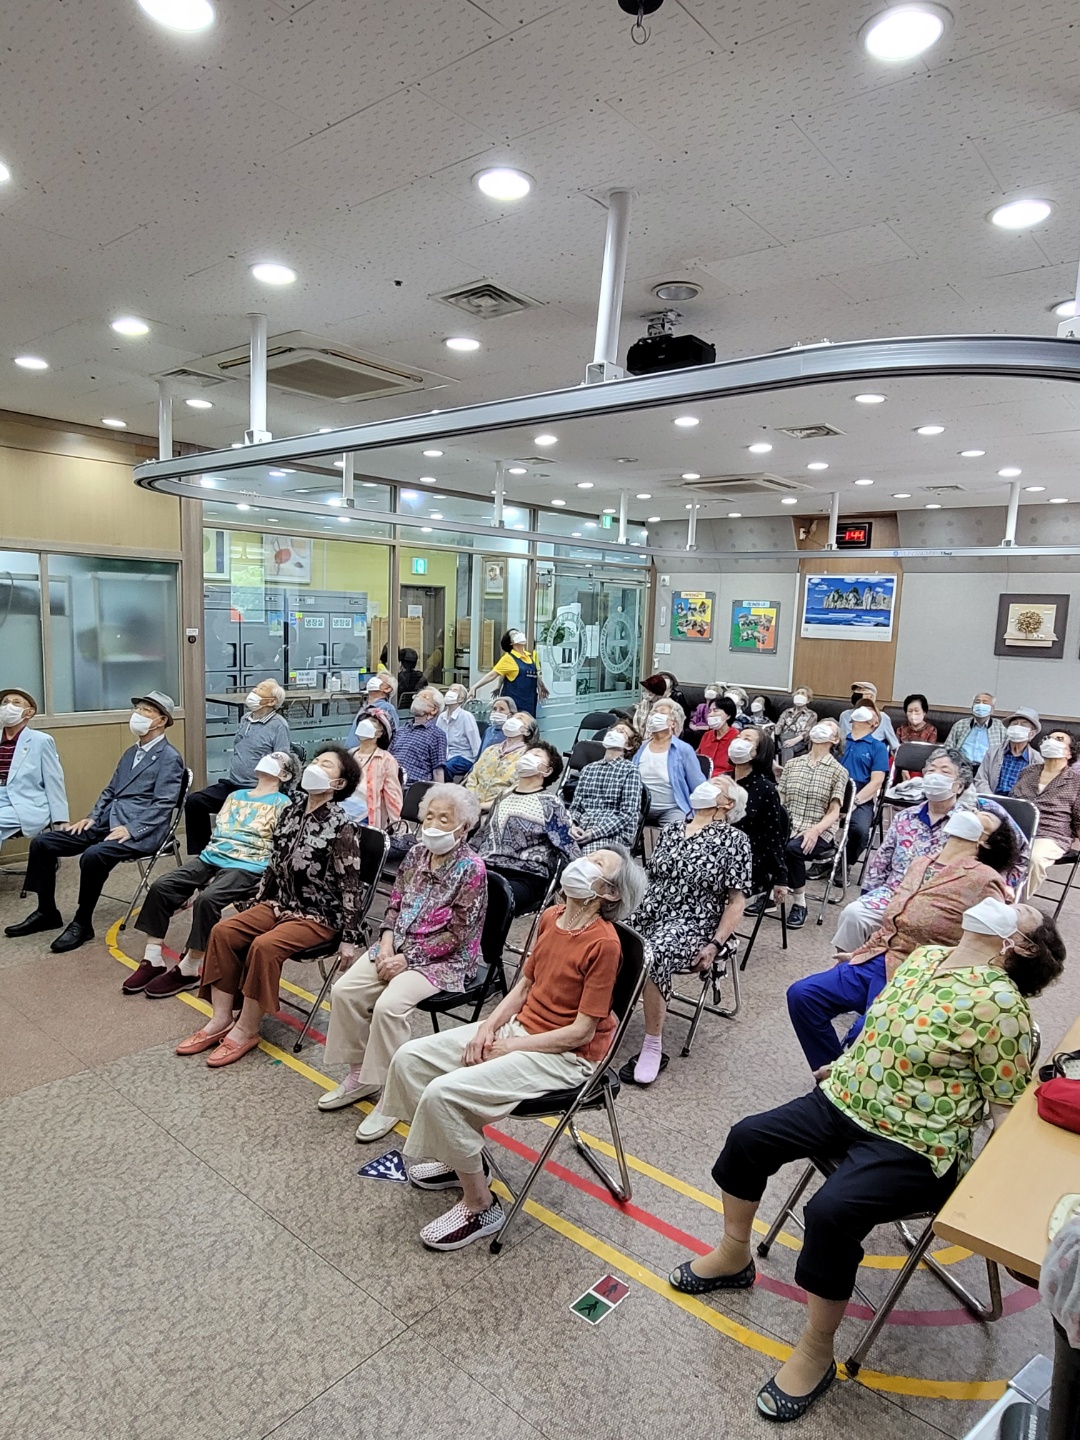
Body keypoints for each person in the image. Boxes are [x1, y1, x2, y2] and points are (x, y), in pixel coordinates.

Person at [669, 899, 1063, 1423]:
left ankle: (816, 1351)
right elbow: (883, 1027)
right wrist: (845, 1065)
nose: (1002, 901)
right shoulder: (925, 958)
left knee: (831, 1213)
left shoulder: (1004, 1007)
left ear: (1020, 946)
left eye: (1020, 910)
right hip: (846, 1098)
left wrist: (994, 1194)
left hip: (916, 1140)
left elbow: (1004, 1106)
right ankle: (733, 1255)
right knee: (748, 1139)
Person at [380, 845, 647, 1251]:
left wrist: (509, 1047)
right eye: (588, 856)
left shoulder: (604, 944)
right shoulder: (552, 917)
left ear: (609, 893)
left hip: (566, 1057)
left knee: (442, 1094)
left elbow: (580, 1033)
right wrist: (487, 1028)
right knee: (409, 1059)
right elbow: (524, 986)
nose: (582, 863)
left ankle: (481, 1206)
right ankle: (463, 1159)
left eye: (597, 864)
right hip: (521, 1029)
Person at [175, 744, 364, 1067]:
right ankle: (221, 1018)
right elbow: (274, 865)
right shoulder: (291, 811)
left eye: (326, 765)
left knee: (264, 946)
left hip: (319, 915)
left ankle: (246, 1030)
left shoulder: (342, 825)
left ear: (339, 784)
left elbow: (351, 885)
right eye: (316, 761)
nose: (316, 766)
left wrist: (350, 937)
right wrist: (259, 903)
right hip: (281, 903)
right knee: (223, 931)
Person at [787, 807, 1018, 1070]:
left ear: (985, 841)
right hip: (880, 957)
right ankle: (835, 1077)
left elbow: (991, 943)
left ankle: (842, 1079)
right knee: (803, 996)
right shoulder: (922, 863)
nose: (972, 812)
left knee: (866, 1030)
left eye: (982, 817)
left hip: (921, 976)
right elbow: (893, 923)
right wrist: (860, 952)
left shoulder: (985, 880)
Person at [317, 785, 487, 1138]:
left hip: (444, 959)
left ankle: (393, 1099)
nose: (434, 825)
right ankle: (360, 1076)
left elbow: (458, 934)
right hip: (398, 944)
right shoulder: (416, 854)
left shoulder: (472, 869)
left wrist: (406, 959)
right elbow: (394, 904)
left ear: (465, 827)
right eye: (430, 817)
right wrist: (386, 942)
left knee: (389, 1007)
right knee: (345, 991)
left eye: (445, 819)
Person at [6, 691, 184, 953]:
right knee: (43, 843)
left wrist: (132, 829)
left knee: (93, 856)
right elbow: (110, 790)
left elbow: (164, 804)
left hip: (140, 831)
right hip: (106, 821)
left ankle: (82, 922)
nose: (138, 714)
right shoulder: (131, 752)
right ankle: (47, 912)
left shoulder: (169, 757)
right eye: (138, 709)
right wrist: (91, 817)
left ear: (161, 720)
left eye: (146, 711)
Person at [124, 751, 297, 998]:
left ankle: (189, 968)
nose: (269, 758)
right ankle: (153, 958)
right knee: (162, 886)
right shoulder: (235, 796)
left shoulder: (284, 804)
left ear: (285, 775)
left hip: (249, 864)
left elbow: (281, 844)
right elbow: (221, 830)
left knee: (207, 899)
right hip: (212, 857)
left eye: (277, 758)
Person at [622, 776, 753, 1085]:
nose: (707, 784)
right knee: (607, 937)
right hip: (650, 909)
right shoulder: (671, 830)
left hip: (694, 922)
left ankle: (652, 1045)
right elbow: (651, 879)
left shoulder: (735, 840)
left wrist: (715, 944)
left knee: (652, 954)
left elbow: (736, 902)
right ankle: (597, 1020)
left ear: (727, 804)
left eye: (718, 784)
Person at [833, 745, 968, 953]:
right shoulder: (905, 817)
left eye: (945, 771)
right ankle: (847, 967)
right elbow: (881, 862)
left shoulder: (969, 824)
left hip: (938, 903)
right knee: (853, 914)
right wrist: (868, 895)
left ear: (959, 786)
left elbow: (1012, 853)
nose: (935, 776)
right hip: (895, 893)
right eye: (931, 770)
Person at [184, 678, 289, 855]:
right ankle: (202, 854)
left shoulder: (279, 725)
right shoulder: (245, 718)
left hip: (256, 789)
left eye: (261, 689)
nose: (254, 691)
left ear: (271, 701)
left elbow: (282, 760)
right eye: (256, 687)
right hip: (232, 785)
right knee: (195, 801)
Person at [475, 741, 577, 912]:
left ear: (547, 771)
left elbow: (568, 847)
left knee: (490, 898)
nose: (528, 757)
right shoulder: (503, 796)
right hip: (487, 867)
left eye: (536, 755)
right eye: (527, 754)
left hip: (525, 875)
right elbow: (483, 834)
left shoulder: (550, 804)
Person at [772, 718, 849, 929]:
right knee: (767, 841)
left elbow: (834, 811)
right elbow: (781, 800)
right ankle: (770, 894)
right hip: (790, 825)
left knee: (792, 849)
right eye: (820, 724)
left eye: (829, 727)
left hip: (820, 830)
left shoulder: (838, 771)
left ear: (835, 739)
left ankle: (800, 903)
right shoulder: (793, 764)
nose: (822, 727)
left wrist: (815, 830)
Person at [1012, 730, 1080, 895]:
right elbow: (1013, 802)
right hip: (1017, 829)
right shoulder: (1028, 772)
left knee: (1033, 857)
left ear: (1069, 753)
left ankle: (1014, 903)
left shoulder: (1076, 782)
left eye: (1059, 739)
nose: (1051, 741)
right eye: (1048, 738)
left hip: (1051, 834)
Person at [729, 728, 790, 910]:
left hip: (747, 857)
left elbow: (773, 836)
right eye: (738, 737)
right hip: (716, 849)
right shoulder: (722, 781)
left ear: (759, 751)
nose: (739, 741)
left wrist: (780, 877)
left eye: (747, 739)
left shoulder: (766, 789)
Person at [0, 687, 68, 845]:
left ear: (29, 712)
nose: (9, 706)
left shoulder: (41, 741)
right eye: (5, 702)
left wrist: (61, 819)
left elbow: (54, 780)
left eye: (16, 703)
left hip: (27, 803)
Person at [568, 722, 645, 853]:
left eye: (621, 731)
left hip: (612, 835)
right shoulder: (588, 769)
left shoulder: (630, 771)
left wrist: (594, 833)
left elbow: (627, 814)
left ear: (629, 745)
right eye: (613, 730)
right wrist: (573, 825)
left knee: (586, 856)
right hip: (581, 829)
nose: (614, 733)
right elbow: (576, 807)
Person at [630, 699, 703, 824]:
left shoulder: (684, 750)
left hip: (671, 809)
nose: (655, 716)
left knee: (675, 830)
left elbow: (697, 784)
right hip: (639, 807)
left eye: (662, 713)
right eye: (654, 713)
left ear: (673, 723)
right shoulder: (641, 747)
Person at [839, 702, 889, 867]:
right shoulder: (838, 740)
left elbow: (877, 781)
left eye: (870, 710)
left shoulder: (878, 747)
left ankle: (844, 863)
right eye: (861, 708)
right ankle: (824, 859)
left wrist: (853, 802)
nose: (863, 710)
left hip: (861, 796)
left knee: (859, 831)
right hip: (832, 791)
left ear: (875, 722)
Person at [464, 709, 537, 811]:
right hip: (471, 806)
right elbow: (473, 776)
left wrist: (484, 806)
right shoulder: (490, 750)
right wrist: (471, 800)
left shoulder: (527, 756)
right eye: (513, 718)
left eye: (520, 719)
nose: (513, 720)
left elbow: (518, 789)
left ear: (527, 731)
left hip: (501, 810)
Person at [343, 709, 402, 830]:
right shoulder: (350, 754)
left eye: (374, 722)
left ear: (380, 733)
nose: (366, 723)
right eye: (366, 720)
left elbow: (393, 797)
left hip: (365, 817)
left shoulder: (386, 760)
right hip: (342, 812)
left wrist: (399, 828)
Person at [469, 629, 548, 715]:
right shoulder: (508, 658)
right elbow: (492, 674)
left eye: (518, 632)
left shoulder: (529, 656)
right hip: (514, 706)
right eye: (514, 634)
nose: (519, 634)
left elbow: (534, 674)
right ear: (511, 643)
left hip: (530, 703)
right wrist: (475, 687)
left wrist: (541, 685)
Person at [976, 707, 1041, 797]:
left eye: (1023, 724)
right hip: (990, 799)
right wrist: (991, 799)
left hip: (1018, 802)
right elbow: (980, 780)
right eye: (1014, 724)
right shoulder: (993, 752)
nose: (1017, 727)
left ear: (1032, 734)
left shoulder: (1037, 760)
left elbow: (1034, 790)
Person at [389, 687, 447, 784]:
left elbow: (438, 771)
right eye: (417, 696)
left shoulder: (437, 735)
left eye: (424, 697)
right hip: (391, 783)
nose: (418, 699)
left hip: (415, 786)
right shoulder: (401, 730)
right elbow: (388, 756)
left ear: (433, 710)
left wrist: (439, 791)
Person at [945, 692, 1007, 768]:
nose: (980, 705)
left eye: (985, 703)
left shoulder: (1001, 728)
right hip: (961, 766)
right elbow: (948, 747)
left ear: (992, 710)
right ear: (972, 708)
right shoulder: (960, 724)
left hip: (988, 768)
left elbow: (1007, 752)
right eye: (977, 702)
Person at [436, 685, 481, 779]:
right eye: (450, 689)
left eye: (455, 690)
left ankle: (447, 788)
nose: (450, 692)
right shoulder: (441, 717)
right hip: (445, 756)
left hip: (463, 757)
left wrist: (478, 765)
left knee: (445, 768)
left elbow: (476, 743)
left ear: (461, 698)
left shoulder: (466, 717)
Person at [839, 681, 899, 750]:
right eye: (855, 692)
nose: (856, 695)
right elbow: (840, 741)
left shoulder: (883, 717)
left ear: (871, 697)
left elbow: (894, 745)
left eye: (861, 691)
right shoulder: (845, 715)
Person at [632, 673, 687, 739]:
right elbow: (636, 722)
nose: (645, 692)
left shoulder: (670, 706)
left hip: (659, 741)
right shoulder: (644, 703)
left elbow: (676, 729)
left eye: (649, 691)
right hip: (640, 740)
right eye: (645, 690)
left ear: (656, 693)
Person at [695, 696, 739, 776]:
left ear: (728, 715)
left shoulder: (736, 737)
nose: (711, 714)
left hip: (724, 779)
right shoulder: (707, 735)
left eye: (715, 711)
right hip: (702, 776)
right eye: (709, 711)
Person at [773, 686, 817, 763]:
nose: (799, 695)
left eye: (803, 694)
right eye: (798, 693)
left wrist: (794, 740)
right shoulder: (787, 712)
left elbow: (808, 732)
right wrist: (773, 736)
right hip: (783, 738)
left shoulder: (812, 715)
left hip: (799, 741)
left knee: (787, 746)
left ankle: (786, 769)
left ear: (808, 700)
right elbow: (779, 726)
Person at [351, 673, 397, 741]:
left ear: (387, 689)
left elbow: (394, 736)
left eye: (380, 679)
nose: (373, 680)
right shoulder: (364, 707)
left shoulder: (387, 708)